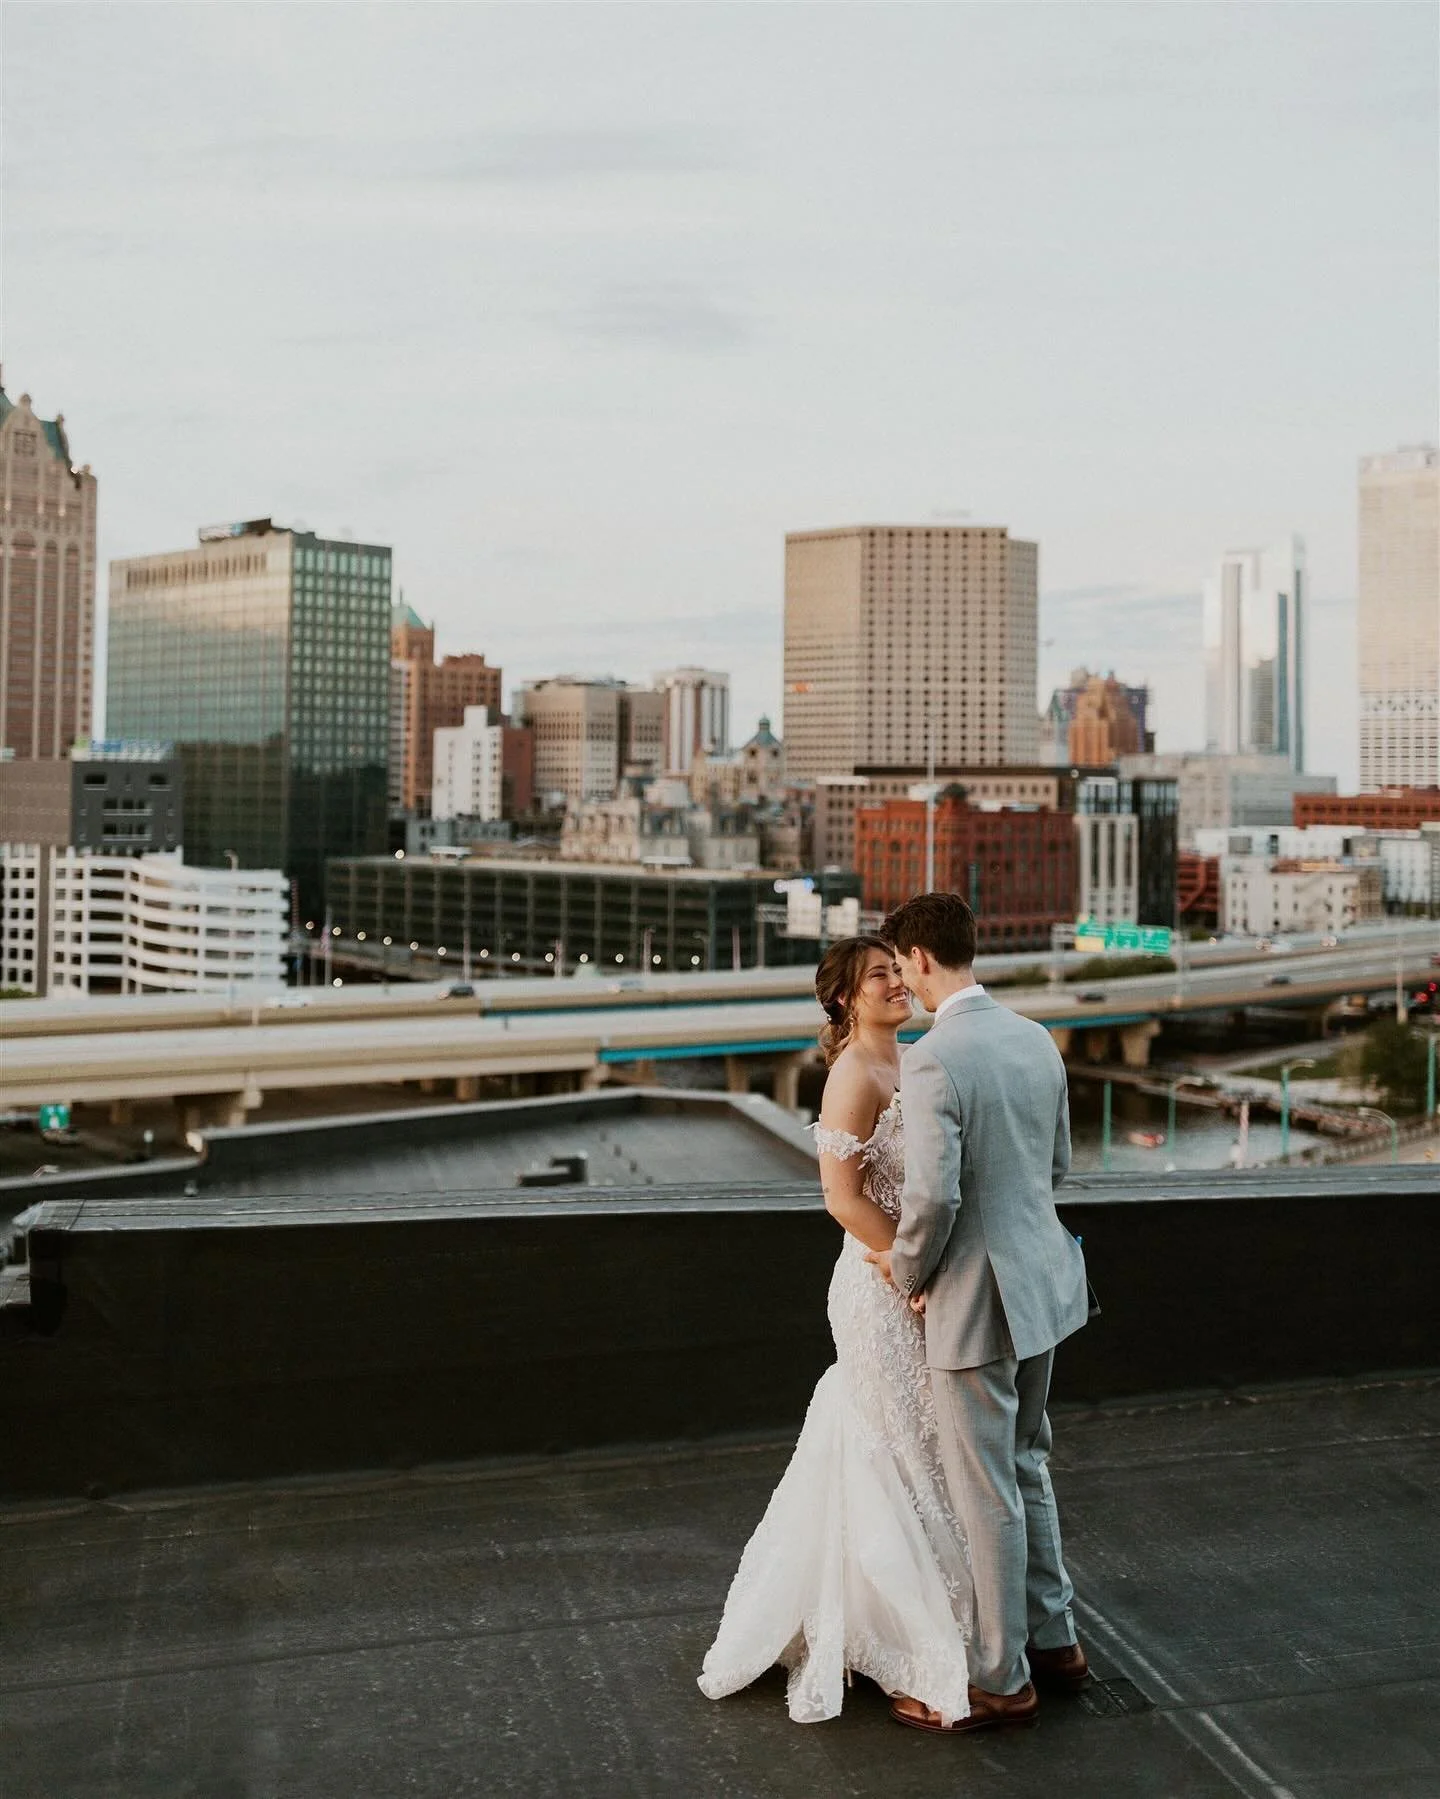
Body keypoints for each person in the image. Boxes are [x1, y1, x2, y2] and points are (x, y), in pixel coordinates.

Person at [697, 935, 973, 1725]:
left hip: (913, 1277)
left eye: (897, 969)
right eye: (879, 975)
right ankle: (903, 1639)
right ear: (848, 998)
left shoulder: (913, 1059)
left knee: (920, 1445)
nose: (896, 982)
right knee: (895, 1447)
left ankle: (930, 1612)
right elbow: (841, 1197)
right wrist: (911, 1272)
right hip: (879, 1288)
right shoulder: (852, 1074)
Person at [868, 891, 1092, 1734]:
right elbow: (1057, 1165)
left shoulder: (933, 1057)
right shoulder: (1035, 1037)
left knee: (986, 1485)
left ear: (921, 958)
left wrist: (906, 1272)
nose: (904, 979)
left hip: (975, 1297)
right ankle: (1057, 1641)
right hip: (1044, 1282)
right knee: (1028, 1460)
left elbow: (933, 1198)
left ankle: (1000, 1678)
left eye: (902, 964)